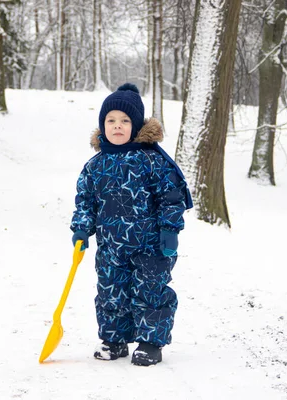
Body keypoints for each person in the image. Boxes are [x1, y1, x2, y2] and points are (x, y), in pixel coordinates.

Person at [70, 83, 193, 366]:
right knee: (111, 291)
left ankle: (150, 342)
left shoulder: (152, 160)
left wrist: (170, 229)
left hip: (151, 245)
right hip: (111, 246)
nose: (117, 126)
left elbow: (171, 197)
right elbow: (85, 201)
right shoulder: (95, 165)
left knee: (150, 291)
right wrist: (81, 228)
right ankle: (115, 339)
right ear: (102, 125)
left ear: (136, 125)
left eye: (125, 121)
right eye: (110, 120)